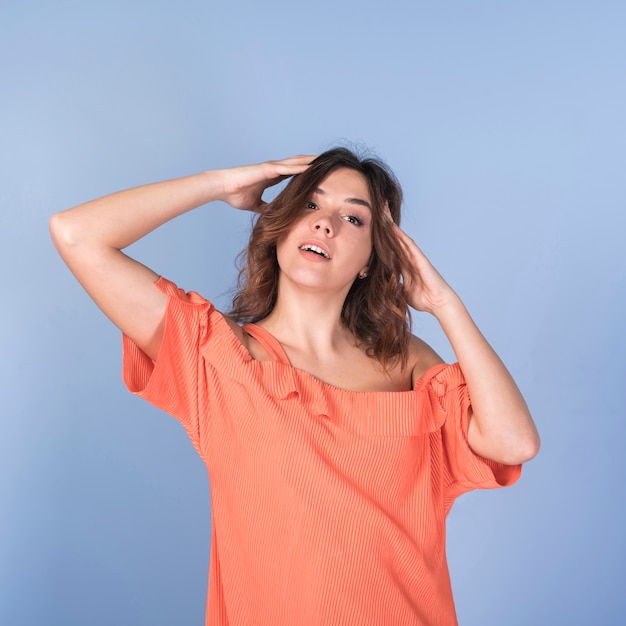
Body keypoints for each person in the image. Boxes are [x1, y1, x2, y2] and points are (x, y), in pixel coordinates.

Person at [49, 147, 540, 625]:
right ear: (280, 227)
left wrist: (444, 303)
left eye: (354, 218)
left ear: (372, 258)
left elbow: (514, 441)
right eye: (310, 203)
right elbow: (76, 234)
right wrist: (223, 184)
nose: (325, 222)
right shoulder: (218, 358)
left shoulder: (407, 363)